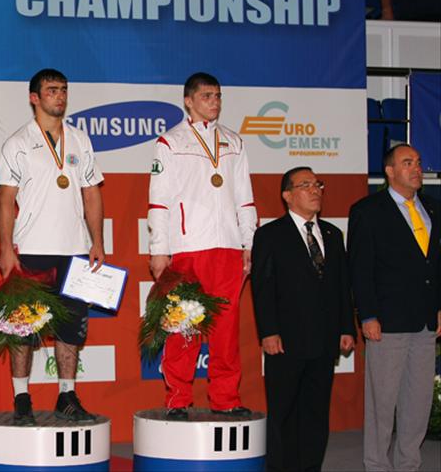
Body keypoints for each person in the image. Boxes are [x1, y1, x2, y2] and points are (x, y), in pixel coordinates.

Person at [0, 68, 105, 425]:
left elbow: (92, 193)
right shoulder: (18, 143)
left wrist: (97, 241)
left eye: (64, 90)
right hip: (32, 248)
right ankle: (21, 397)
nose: (60, 96)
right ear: (34, 98)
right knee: (23, 328)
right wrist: (7, 248)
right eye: (52, 90)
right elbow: (5, 200)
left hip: (75, 248)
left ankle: (67, 395)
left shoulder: (80, 140)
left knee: (70, 328)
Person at [147, 72, 257, 419]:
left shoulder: (234, 142)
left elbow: (245, 198)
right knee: (184, 325)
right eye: (207, 96)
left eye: (218, 96)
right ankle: (178, 399)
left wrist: (249, 243)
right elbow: (159, 201)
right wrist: (159, 250)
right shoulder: (170, 142)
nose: (215, 102)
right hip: (187, 248)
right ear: (188, 101)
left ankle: (226, 399)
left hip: (228, 248)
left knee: (226, 330)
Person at [251, 167, 355, 472]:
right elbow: (263, 288)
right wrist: (269, 331)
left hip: (324, 340)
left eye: (317, 184)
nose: (315, 190)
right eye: (305, 185)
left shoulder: (333, 234)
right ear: (287, 195)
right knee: (283, 412)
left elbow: (342, 286)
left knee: (315, 412)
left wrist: (347, 327)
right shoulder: (270, 235)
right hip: (285, 340)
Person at [348, 143, 440, 471]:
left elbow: (435, 265)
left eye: (418, 162)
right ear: (389, 171)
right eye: (407, 163)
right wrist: (368, 315)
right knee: (382, 403)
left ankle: (408, 464)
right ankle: (376, 464)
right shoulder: (368, 210)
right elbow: (360, 268)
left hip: (425, 321)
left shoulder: (433, 208)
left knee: (418, 401)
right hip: (386, 321)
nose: (416, 168)